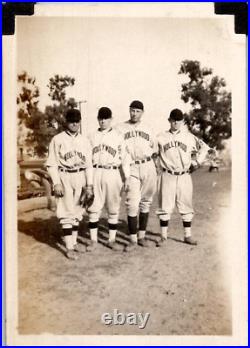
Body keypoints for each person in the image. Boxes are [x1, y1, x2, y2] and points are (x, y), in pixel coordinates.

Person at [155, 108, 210, 246]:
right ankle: (163, 236)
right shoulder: (160, 137)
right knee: (165, 206)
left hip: (184, 175)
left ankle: (187, 235)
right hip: (167, 174)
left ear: (183, 122)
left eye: (178, 121)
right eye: (173, 120)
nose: (175, 123)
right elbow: (153, 153)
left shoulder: (189, 137)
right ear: (169, 120)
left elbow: (204, 148)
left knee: (185, 205)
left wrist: (197, 162)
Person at [46, 109, 93, 260]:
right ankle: (69, 247)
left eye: (77, 121)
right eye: (71, 120)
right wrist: (56, 183)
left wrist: (89, 185)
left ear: (80, 121)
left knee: (78, 211)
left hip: (80, 176)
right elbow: (52, 164)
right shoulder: (57, 139)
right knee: (66, 211)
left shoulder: (85, 140)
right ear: (66, 122)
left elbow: (89, 165)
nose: (74, 123)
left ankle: (73, 242)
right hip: (64, 176)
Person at [87, 107, 131, 251]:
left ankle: (111, 239)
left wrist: (127, 178)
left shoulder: (118, 136)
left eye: (106, 118)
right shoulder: (91, 136)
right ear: (98, 119)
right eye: (101, 118)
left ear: (111, 119)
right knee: (93, 207)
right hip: (95, 171)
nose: (103, 121)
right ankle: (93, 240)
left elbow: (125, 159)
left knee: (113, 207)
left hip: (113, 173)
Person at [116, 100, 158, 251]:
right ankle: (133, 239)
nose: (134, 113)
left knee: (146, 202)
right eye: (132, 110)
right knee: (132, 203)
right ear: (129, 111)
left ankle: (142, 236)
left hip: (148, 165)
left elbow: (155, 148)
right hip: (131, 167)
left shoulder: (148, 128)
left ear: (142, 113)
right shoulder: (120, 128)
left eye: (137, 111)